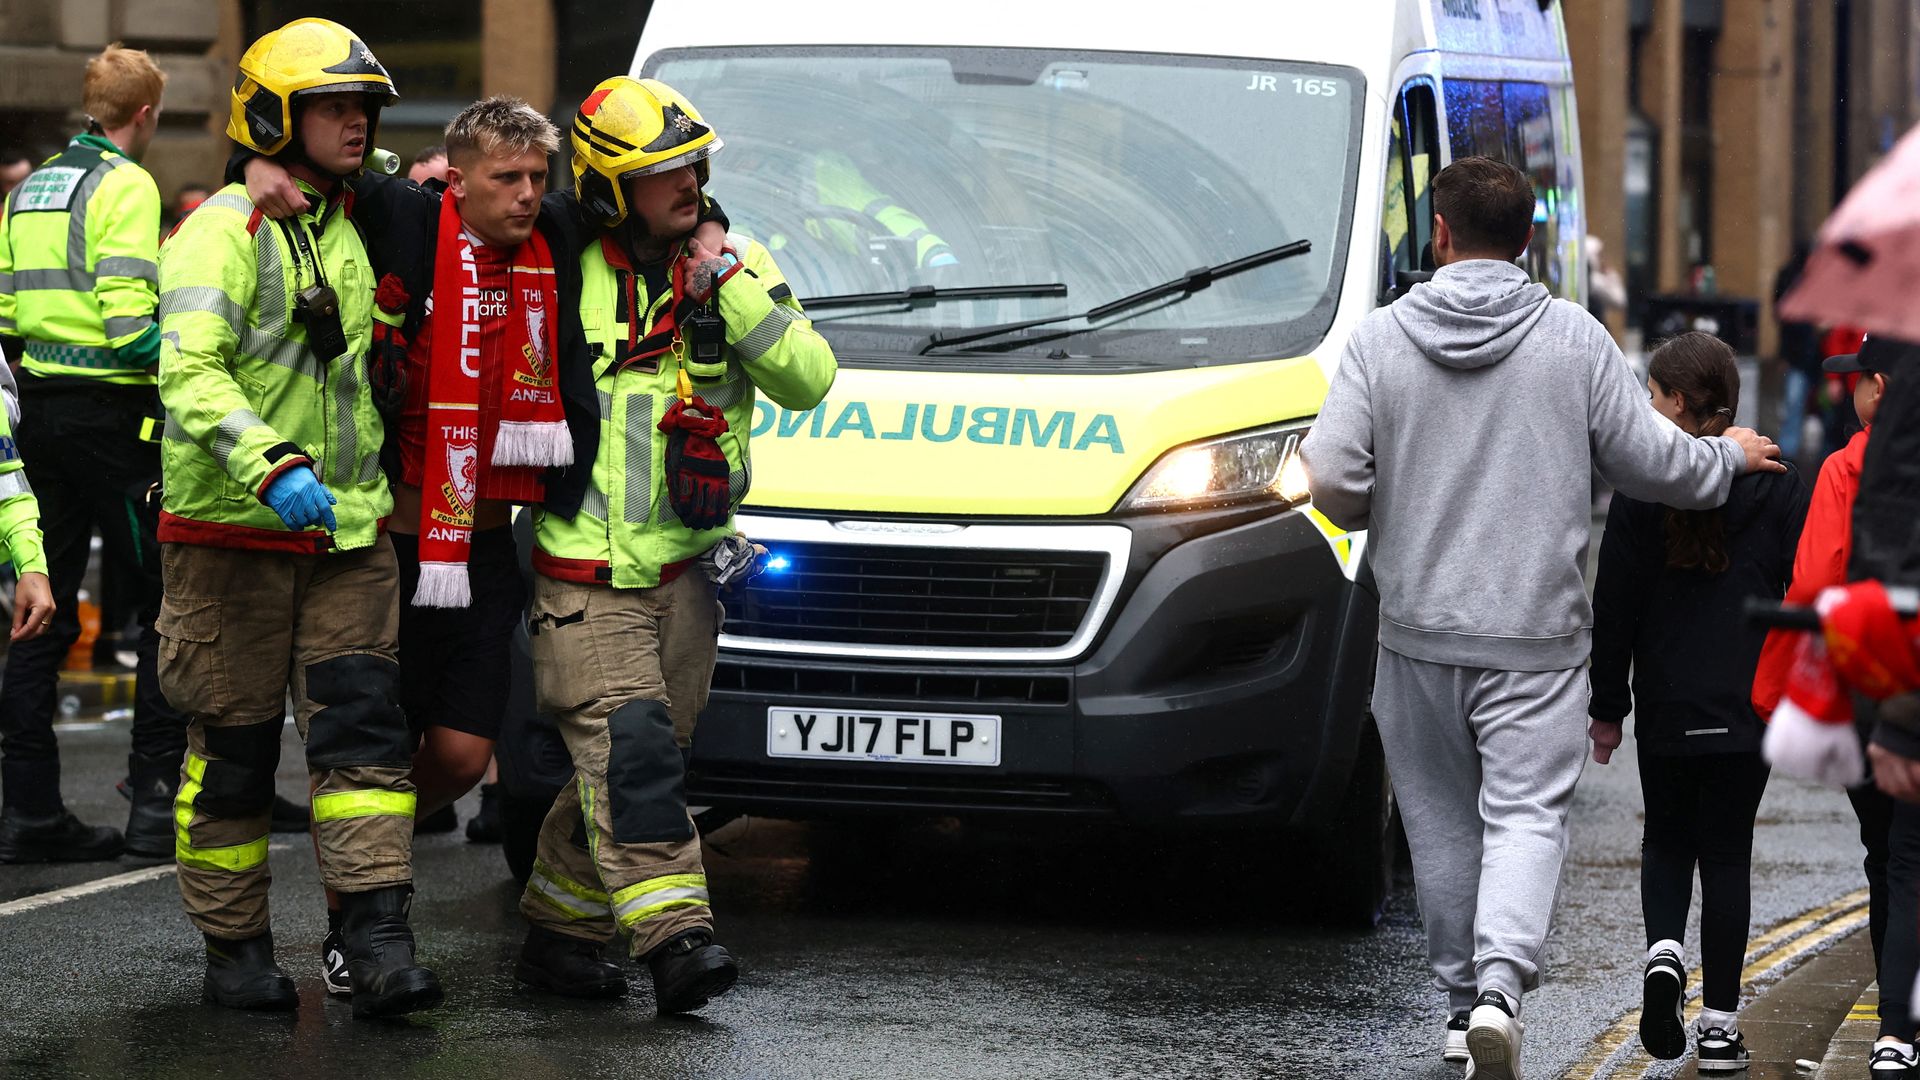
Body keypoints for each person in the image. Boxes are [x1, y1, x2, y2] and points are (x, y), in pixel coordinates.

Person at [1300, 156, 1785, 1080]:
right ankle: (1498, 991)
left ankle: (1458, 1006)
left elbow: (1330, 477)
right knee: (1525, 819)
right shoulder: (1574, 340)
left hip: (1418, 633)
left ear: (1439, 234)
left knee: (1440, 827)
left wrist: (1373, 504)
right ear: (1528, 240)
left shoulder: (1379, 342)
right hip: (1535, 640)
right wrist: (1725, 454)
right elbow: (1658, 463)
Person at [241, 91, 732, 996]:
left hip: (487, 547)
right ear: (456, 183)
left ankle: (358, 850)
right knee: (373, 749)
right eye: (504, 178)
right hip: (389, 545)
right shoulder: (406, 220)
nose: (524, 194)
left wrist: (715, 233)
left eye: (536, 178)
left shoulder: (556, 233)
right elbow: (324, 182)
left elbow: (659, 206)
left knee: (464, 759)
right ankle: (364, 920)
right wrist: (252, 168)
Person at [516, 75, 835, 1014]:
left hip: (688, 574)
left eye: (694, 164)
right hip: (586, 571)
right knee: (635, 756)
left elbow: (809, 376)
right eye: (663, 172)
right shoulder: (557, 256)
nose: (688, 182)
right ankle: (677, 941)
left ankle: (559, 935)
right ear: (612, 187)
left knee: (629, 768)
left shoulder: (737, 259)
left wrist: (725, 282)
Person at [154, 17, 438, 1018]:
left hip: (346, 538)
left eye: (364, 106)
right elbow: (185, 367)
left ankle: (377, 944)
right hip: (230, 540)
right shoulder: (221, 230)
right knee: (231, 758)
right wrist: (267, 463)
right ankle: (233, 950)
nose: (356, 121)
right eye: (332, 107)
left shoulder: (358, 217)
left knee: (364, 746)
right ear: (276, 120)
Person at [1588, 332, 1810, 1072]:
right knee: (1727, 854)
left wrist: (1607, 706)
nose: (1646, 408)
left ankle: (1662, 957)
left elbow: (1612, 606)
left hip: (1668, 699)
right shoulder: (1776, 482)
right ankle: (1718, 1027)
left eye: (1653, 396)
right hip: (1749, 703)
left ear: (1679, 402)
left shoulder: (1641, 488)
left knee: (1667, 838)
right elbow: (1802, 588)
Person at [0, 43, 190, 863]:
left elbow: (9, 319)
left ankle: (30, 812)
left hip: (37, 416)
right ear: (143, 115)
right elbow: (128, 324)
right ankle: (154, 802)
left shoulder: (28, 190)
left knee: (40, 605)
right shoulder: (127, 183)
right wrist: (189, 352)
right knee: (160, 603)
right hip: (115, 423)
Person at [1751, 335, 1910, 1075]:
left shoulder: (1849, 467)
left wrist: (1777, 687)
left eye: (1855, 380)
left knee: (1890, 856)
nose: (1848, 393)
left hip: (1870, 691)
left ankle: (1896, 1025)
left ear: (1878, 385)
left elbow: (1813, 583)